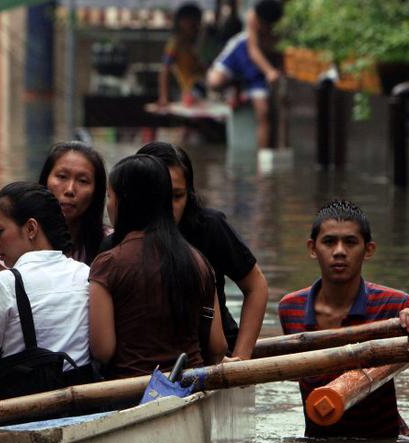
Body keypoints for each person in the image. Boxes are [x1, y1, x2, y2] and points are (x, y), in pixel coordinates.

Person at [278, 199, 409, 440]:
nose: (339, 251)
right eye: (329, 242)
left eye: (350, 242)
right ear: (312, 248)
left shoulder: (395, 306)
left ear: (368, 250)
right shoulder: (291, 308)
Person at [89, 154, 228, 379]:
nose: (109, 205)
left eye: (110, 196)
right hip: (189, 384)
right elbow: (218, 347)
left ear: (124, 202)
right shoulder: (198, 262)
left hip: (131, 392)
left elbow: (103, 351)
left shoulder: (108, 264)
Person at [136, 141, 268, 360]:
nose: (167, 208)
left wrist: (241, 358)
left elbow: (256, 285)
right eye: (158, 197)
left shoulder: (209, 227)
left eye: (177, 196)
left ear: (189, 194)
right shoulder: (123, 240)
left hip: (218, 355)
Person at [0, 182, 94, 399]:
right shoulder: (84, 274)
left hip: (22, 408)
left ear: (30, 229)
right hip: (82, 402)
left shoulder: (6, 282)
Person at [206, 0, 283, 149]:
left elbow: (278, 52)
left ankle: (262, 157)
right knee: (213, 81)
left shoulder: (280, 24)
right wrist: (270, 71)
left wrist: (272, 70)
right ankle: (236, 88)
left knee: (263, 112)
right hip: (244, 54)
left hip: (261, 66)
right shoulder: (252, 16)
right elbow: (253, 50)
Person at [38, 141, 108, 265]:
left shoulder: (111, 245)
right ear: (45, 180)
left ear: (96, 191)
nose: (70, 190)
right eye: (62, 176)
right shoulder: (20, 238)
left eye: (82, 181)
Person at [158, 3, 206, 108]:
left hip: (203, 90)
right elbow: (165, 70)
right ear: (181, 22)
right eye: (191, 22)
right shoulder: (174, 44)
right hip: (189, 93)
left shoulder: (195, 44)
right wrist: (164, 97)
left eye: (197, 21)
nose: (195, 25)